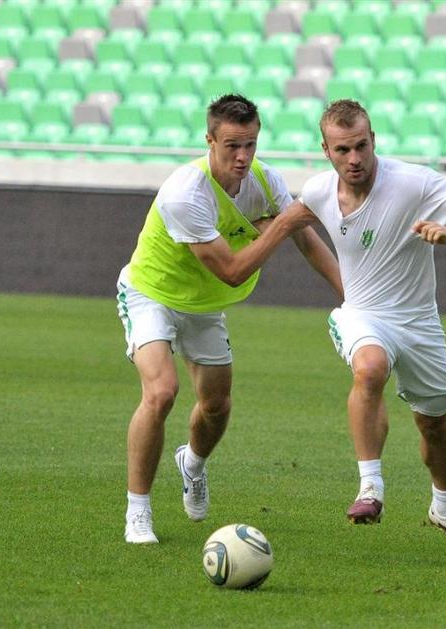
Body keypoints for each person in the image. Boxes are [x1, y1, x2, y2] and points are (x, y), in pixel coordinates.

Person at [117, 94, 342, 544]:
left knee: (217, 405)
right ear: (210, 140)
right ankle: (138, 511)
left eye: (251, 145)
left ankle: (192, 464)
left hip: (203, 305)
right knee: (162, 393)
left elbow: (306, 239)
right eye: (232, 146)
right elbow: (234, 268)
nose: (243, 157)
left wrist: (350, 294)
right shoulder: (187, 192)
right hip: (151, 294)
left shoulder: (264, 180)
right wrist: (277, 224)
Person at [291, 99, 446, 552]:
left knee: (434, 425)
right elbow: (285, 223)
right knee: (369, 369)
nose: (354, 159)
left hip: (419, 322)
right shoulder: (318, 191)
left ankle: (445, 507)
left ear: (373, 140)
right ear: (325, 150)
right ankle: (370, 488)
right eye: (342, 149)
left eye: (361, 146)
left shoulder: (411, 182)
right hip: (362, 313)